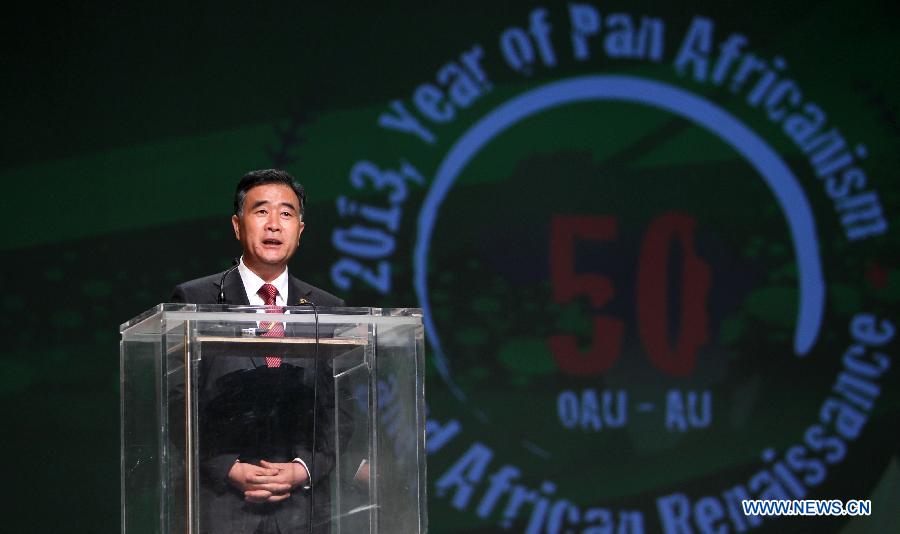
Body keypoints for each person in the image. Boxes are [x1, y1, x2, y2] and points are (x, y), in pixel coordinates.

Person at [171, 169, 345, 534]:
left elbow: (340, 412)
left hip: (304, 512)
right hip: (223, 507)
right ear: (237, 225)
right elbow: (176, 405)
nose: (274, 225)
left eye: (286, 214)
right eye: (261, 211)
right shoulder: (196, 300)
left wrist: (303, 468)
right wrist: (228, 468)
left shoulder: (326, 308)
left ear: (300, 229)